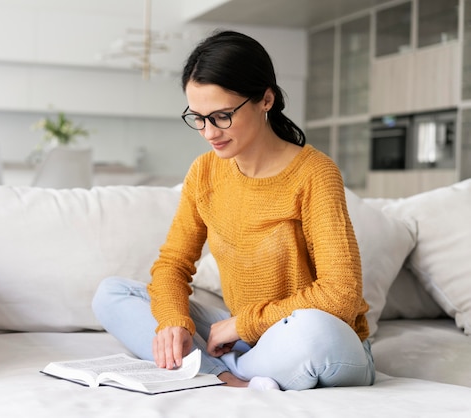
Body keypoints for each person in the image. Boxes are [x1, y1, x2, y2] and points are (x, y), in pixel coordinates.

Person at [92, 30, 375, 391]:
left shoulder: (314, 173)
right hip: (249, 339)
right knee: (112, 293)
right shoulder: (204, 172)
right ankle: (226, 374)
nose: (209, 132)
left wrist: (240, 325)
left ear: (266, 100)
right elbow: (172, 266)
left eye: (222, 116)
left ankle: (216, 368)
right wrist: (172, 321)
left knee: (314, 333)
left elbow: (341, 295)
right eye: (198, 117)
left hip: (316, 341)